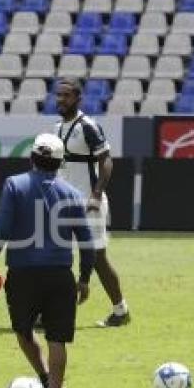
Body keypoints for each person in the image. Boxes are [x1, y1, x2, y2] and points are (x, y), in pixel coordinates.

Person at [0, 133, 95, 388]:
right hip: (59, 276)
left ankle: (44, 380)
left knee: (23, 331)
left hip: (23, 274)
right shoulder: (73, 194)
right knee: (57, 339)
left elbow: (2, 229)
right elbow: (87, 241)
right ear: (59, 163)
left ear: (32, 157)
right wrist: (84, 278)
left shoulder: (14, 185)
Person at [54, 78, 129, 328]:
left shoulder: (88, 126)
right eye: (59, 95)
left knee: (97, 258)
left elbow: (105, 161)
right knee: (57, 255)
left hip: (89, 203)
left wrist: (97, 193)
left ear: (77, 98)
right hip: (64, 205)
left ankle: (120, 311)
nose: (60, 100)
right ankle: (52, 312)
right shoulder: (56, 129)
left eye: (66, 96)